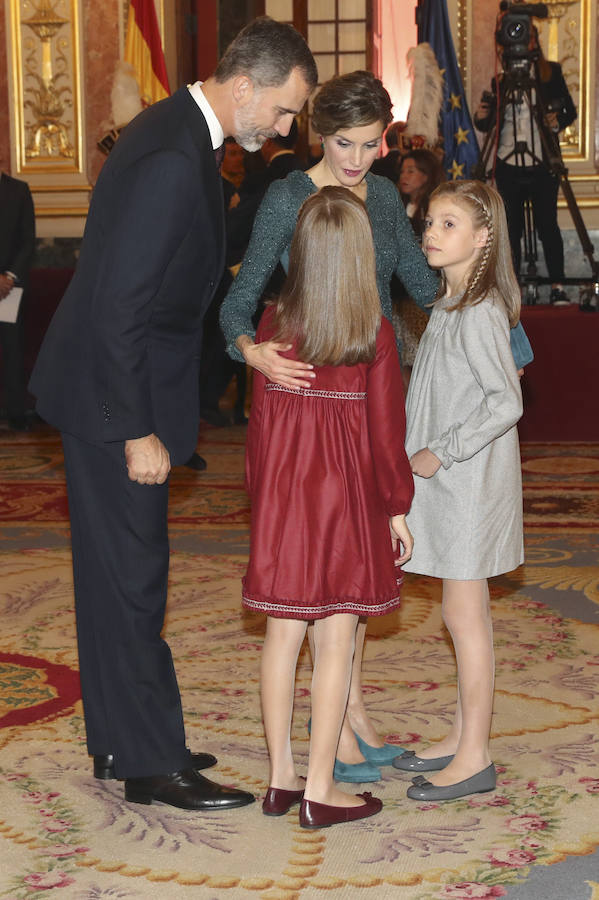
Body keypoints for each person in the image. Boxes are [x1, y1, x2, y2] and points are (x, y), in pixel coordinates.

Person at [29, 16, 317, 811]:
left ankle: (125, 739)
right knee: (132, 581)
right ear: (245, 85)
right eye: (285, 110)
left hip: (108, 386)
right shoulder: (167, 154)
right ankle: (151, 764)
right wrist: (135, 426)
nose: (284, 128)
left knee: (116, 577)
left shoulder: (178, 132)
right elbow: (121, 303)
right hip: (114, 397)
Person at [220, 69, 532, 784]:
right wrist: (251, 352)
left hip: (380, 387)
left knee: (360, 563)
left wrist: (513, 347)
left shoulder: (388, 196)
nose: (358, 160)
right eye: (343, 143)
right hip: (310, 395)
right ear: (316, 134)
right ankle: (346, 730)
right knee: (326, 564)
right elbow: (238, 300)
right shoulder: (288, 198)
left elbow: (433, 289)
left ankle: (351, 727)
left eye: (370, 144)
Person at [244, 186, 414, 828]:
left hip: (285, 500)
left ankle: (280, 779)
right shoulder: (372, 332)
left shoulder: (270, 329)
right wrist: (397, 506)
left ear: (302, 253)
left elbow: (260, 428)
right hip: (346, 501)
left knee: (282, 635)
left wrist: (262, 498)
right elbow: (384, 435)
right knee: (336, 640)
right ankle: (321, 789)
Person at [393, 180, 523, 802]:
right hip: (448, 484)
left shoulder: (479, 311)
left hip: (467, 484)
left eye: (449, 224)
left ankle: (475, 756)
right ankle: (462, 734)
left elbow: (506, 400)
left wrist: (440, 451)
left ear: (482, 238)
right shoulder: (447, 306)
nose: (432, 233)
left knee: (465, 619)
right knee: (457, 615)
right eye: (431, 222)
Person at [473, 42, 576, 305]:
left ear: (535, 41)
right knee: (511, 228)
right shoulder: (500, 80)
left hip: (542, 161)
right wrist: (481, 116)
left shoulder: (549, 73)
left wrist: (557, 120)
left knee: (548, 225)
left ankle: (557, 286)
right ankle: (512, 288)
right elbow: (486, 123)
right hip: (508, 161)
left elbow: (569, 112)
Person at [394, 149, 445, 388]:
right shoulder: (397, 205)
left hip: (420, 298)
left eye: (411, 171)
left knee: (420, 362)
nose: (404, 176)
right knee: (399, 361)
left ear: (426, 175)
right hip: (397, 296)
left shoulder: (434, 209)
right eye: (402, 170)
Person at [0, 168, 35, 431]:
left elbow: (27, 239)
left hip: (10, 288)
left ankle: (16, 410)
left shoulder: (19, 190)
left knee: (13, 349)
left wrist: (9, 277)